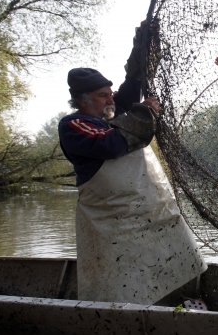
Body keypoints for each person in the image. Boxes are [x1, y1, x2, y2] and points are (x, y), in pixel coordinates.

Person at [59, 21, 207, 305]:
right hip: (111, 225)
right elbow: (112, 143)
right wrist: (143, 112)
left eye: (109, 92)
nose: (110, 98)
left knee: (179, 256)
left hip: (149, 215)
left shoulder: (113, 113)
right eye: (103, 95)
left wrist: (144, 46)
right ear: (83, 101)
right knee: (119, 279)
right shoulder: (75, 124)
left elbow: (134, 83)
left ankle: (182, 300)